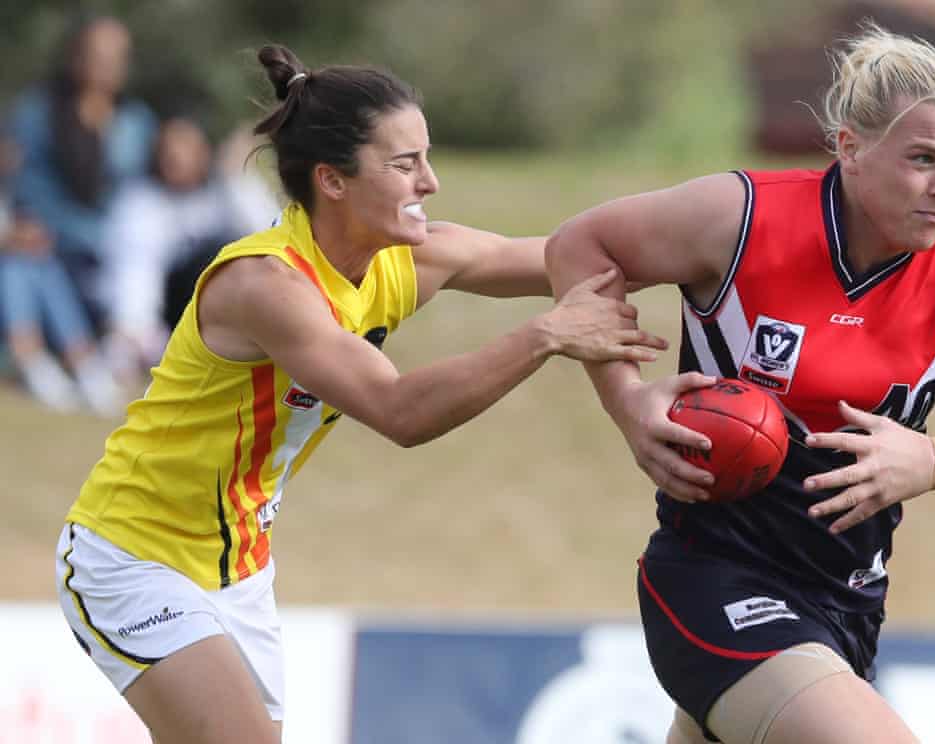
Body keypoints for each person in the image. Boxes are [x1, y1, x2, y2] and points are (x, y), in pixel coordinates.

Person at [55, 45, 667, 744]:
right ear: (332, 180)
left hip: (238, 567)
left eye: (426, 158)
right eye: (405, 164)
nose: (430, 182)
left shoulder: (409, 260)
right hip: (133, 556)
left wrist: (723, 236)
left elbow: (578, 256)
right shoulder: (269, 287)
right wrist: (547, 335)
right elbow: (401, 412)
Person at [546, 23, 935, 744]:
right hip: (715, 579)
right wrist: (626, 401)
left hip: (846, 601)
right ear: (849, 147)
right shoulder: (741, 218)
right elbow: (578, 246)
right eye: (923, 159)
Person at [99, 114, 279, 380]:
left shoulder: (221, 193)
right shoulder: (141, 202)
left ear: (203, 153)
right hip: (167, 316)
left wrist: (237, 177)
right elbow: (136, 268)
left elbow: (272, 237)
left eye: (186, 149)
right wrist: (134, 329)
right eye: (168, 151)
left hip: (225, 314)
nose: (176, 158)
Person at [8, 14, 157, 328]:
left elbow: (143, 193)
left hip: (122, 253)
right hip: (55, 244)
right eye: (97, 56)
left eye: (116, 58)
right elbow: (27, 186)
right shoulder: (37, 114)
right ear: (75, 57)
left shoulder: (137, 121)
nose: (107, 65)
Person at [0, 136, 123, 415]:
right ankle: (31, 356)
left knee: (41, 265)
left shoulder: (15, 190)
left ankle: (79, 359)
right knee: (14, 268)